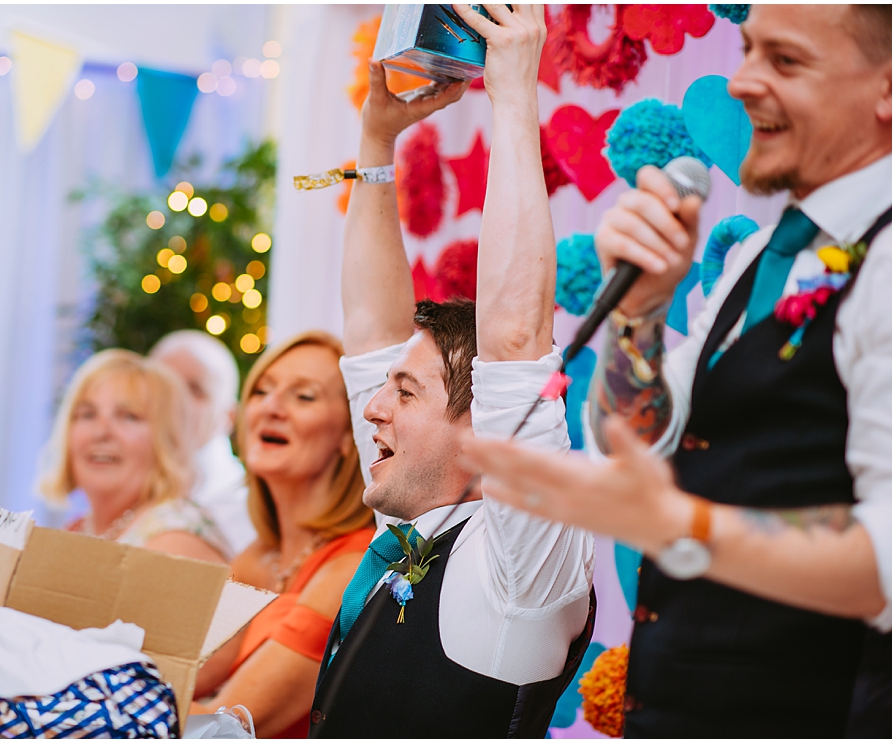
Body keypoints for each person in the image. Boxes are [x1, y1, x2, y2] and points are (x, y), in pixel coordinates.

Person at [461, 4, 891, 737]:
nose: (743, 81)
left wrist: (676, 522)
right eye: (748, 50)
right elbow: (643, 438)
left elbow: (886, 555)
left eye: (785, 61)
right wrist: (640, 318)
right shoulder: (764, 258)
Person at [307, 5, 595, 738]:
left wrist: (513, 94)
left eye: (404, 392)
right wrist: (377, 137)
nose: (371, 409)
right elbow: (372, 327)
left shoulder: (518, 575)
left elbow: (513, 335)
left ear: (484, 431)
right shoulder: (411, 520)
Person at [191, 331, 375, 738]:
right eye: (261, 390)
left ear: (350, 435)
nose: (271, 408)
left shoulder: (353, 565)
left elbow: (224, 726)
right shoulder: (256, 557)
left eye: (303, 397)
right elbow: (187, 672)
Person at [39, 349, 231, 562]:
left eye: (128, 417)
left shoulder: (176, 540)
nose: (100, 432)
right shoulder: (79, 528)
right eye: (87, 414)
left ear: (167, 439)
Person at [149, 330, 256, 554]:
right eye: (164, 387)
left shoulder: (247, 509)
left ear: (229, 416)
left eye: (195, 389)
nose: (176, 399)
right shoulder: (127, 485)